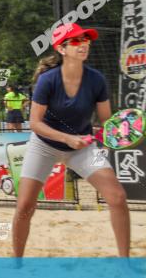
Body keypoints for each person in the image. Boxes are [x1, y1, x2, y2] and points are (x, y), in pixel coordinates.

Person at [12, 23, 130, 258]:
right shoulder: (48, 80)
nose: (83, 44)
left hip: (83, 148)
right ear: (61, 48)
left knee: (117, 197)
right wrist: (68, 138)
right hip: (44, 145)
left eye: (85, 39)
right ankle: (17, 263)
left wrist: (114, 134)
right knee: (25, 207)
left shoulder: (97, 79)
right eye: (75, 41)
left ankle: (125, 263)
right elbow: (35, 123)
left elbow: (107, 121)